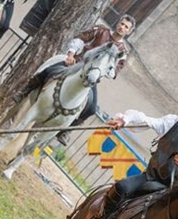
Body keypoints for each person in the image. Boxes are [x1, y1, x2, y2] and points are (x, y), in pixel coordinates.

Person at [13, 15, 135, 144]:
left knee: (91, 109)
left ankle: (66, 130)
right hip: (75, 64)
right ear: (118, 23)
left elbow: (114, 72)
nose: (122, 27)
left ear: (129, 31)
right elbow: (80, 39)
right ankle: (24, 92)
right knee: (49, 70)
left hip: (91, 77)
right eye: (121, 24)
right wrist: (71, 54)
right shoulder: (101, 30)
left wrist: (103, 69)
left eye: (126, 27)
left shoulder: (123, 52)